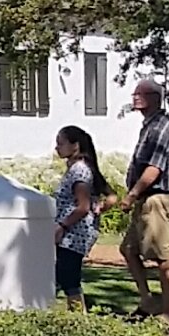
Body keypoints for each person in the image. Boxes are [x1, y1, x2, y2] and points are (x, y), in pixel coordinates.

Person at [107, 77, 169, 322]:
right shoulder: (149, 126)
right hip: (145, 200)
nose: (135, 98)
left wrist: (132, 195)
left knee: (162, 256)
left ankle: (168, 313)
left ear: (154, 98)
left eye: (140, 94)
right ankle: (147, 301)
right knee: (129, 249)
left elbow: (154, 169)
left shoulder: (162, 128)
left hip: (156, 200)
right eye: (134, 94)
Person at [51, 124, 101, 310]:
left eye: (61, 143)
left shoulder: (79, 171)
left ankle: (78, 315)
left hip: (74, 233)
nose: (57, 148)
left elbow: (82, 206)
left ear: (75, 145)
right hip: (70, 232)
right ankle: (74, 313)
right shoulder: (76, 169)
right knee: (64, 275)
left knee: (69, 276)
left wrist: (62, 226)